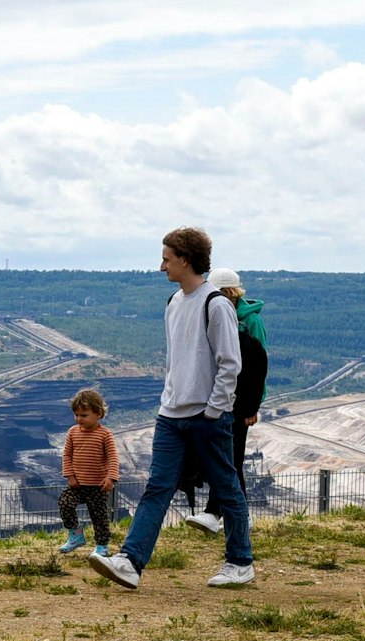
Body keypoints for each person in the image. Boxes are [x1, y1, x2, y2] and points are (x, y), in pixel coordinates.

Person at [90, 227, 254, 590]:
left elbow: (230, 364)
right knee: (157, 487)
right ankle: (130, 562)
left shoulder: (216, 304)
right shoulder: (173, 302)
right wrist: (170, 400)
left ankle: (240, 562)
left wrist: (214, 410)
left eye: (166, 258)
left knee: (226, 487)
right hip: (171, 415)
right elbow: (176, 360)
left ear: (185, 259)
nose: (161, 265)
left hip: (206, 417)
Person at [183, 267, 268, 536]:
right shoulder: (217, 315)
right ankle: (229, 514)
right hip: (220, 398)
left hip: (240, 400)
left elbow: (258, 366)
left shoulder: (250, 322)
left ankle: (220, 513)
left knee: (231, 459)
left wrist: (254, 406)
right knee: (224, 458)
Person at [56, 388, 119, 558]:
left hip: (98, 486)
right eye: (76, 415)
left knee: (99, 517)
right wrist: (70, 476)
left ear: (98, 413)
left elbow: (113, 458)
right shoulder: (73, 432)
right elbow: (67, 455)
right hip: (77, 484)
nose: (78, 419)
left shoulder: (105, 434)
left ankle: (102, 546)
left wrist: (111, 478)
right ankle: (75, 536)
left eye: (83, 415)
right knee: (65, 503)